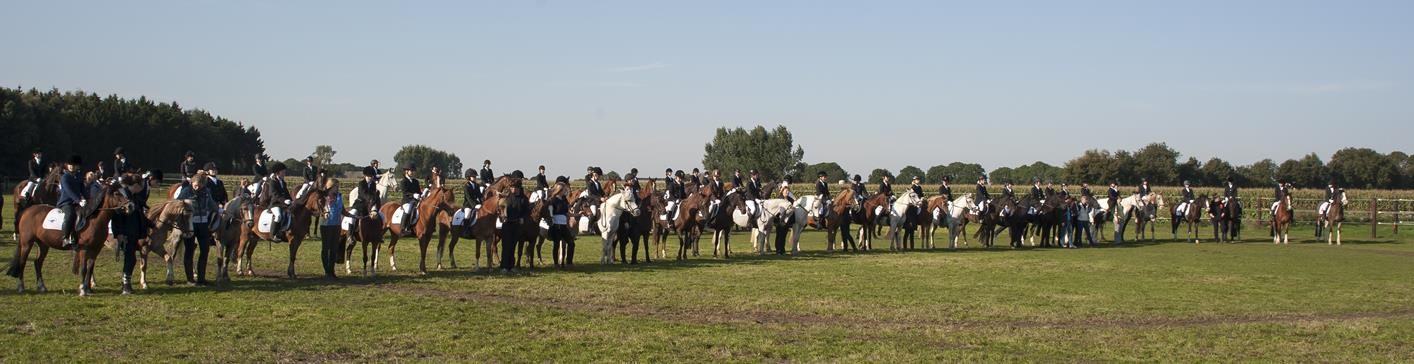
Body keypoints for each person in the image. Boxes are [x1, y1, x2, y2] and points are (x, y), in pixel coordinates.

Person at [112, 174, 149, 294]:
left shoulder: (134, 197)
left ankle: (126, 284)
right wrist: (119, 233)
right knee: (130, 258)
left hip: (134, 232)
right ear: (137, 185)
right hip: (126, 233)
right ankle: (126, 285)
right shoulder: (123, 197)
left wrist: (153, 225)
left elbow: (140, 216)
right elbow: (116, 217)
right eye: (142, 185)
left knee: (131, 259)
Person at [182, 171, 218, 286]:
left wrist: (220, 210)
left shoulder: (207, 192)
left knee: (205, 250)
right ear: (192, 183)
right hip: (190, 224)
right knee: (189, 250)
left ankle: (201, 278)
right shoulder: (186, 191)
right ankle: (190, 279)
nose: (197, 188)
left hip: (203, 225)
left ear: (203, 185)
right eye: (195, 185)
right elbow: (177, 204)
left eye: (199, 186)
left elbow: (211, 205)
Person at [318, 178, 347, 279]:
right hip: (326, 224)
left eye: (338, 186)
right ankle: (327, 271)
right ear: (330, 186)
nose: (337, 188)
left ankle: (332, 270)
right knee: (326, 248)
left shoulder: (339, 196)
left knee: (334, 248)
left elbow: (343, 210)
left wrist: (353, 216)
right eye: (336, 187)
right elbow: (320, 209)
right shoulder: (323, 196)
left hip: (337, 224)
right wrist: (323, 213)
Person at [57, 156, 87, 248]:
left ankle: (77, 237)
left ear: (78, 166)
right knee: (70, 214)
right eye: (70, 165)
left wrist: (89, 199)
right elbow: (69, 191)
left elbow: (83, 190)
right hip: (66, 202)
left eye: (74, 165)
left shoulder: (79, 176)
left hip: (77, 202)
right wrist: (78, 200)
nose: (71, 167)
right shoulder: (65, 177)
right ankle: (65, 238)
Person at [500, 181, 529, 273]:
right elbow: (500, 207)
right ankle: (504, 267)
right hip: (507, 224)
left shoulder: (523, 198)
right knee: (506, 245)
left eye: (515, 188)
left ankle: (511, 266)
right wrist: (502, 216)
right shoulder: (507, 197)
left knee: (513, 246)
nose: (513, 189)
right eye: (511, 187)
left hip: (517, 224)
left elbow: (526, 211)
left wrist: (522, 218)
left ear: (519, 188)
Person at [260, 162, 293, 242]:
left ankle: (284, 232)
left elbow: (286, 193)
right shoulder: (272, 182)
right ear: (278, 172)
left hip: (283, 204)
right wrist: (284, 200)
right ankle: (273, 234)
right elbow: (274, 194)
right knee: (278, 216)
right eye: (283, 172)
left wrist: (291, 201)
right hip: (275, 204)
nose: (284, 173)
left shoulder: (283, 182)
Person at [548, 178, 573, 267]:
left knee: (571, 243)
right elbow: (550, 213)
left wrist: (577, 214)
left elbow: (567, 213)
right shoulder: (553, 200)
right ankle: (556, 264)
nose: (566, 191)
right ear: (560, 190)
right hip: (556, 225)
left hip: (563, 225)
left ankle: (569, 262)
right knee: (556, 245)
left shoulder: (563, 199)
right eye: (564, 189)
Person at [351, 166, 382, 233]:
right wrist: (370, 198)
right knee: (352, 214)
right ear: (365, 176)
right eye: (370, 176)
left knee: (380, 215)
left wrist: (375, 196)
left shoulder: (373, 184)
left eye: (372, 176)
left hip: (370, 204)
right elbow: (363, 194)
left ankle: (379, 234)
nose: (371, 178)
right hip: (360, 204)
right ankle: (350, 235)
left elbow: (373, 193)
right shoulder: (361, 183)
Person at [399, 166, 421, 235]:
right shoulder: (403, 181)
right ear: (406, 171)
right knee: (408, 209)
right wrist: (413, 195)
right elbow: (405, 192)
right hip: (407, 200)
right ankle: (403, 228)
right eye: (411, 171)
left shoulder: (415, 181)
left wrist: (422, 194)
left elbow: (419, 191)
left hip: (416, 200)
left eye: (413, 171)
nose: (412, 172)